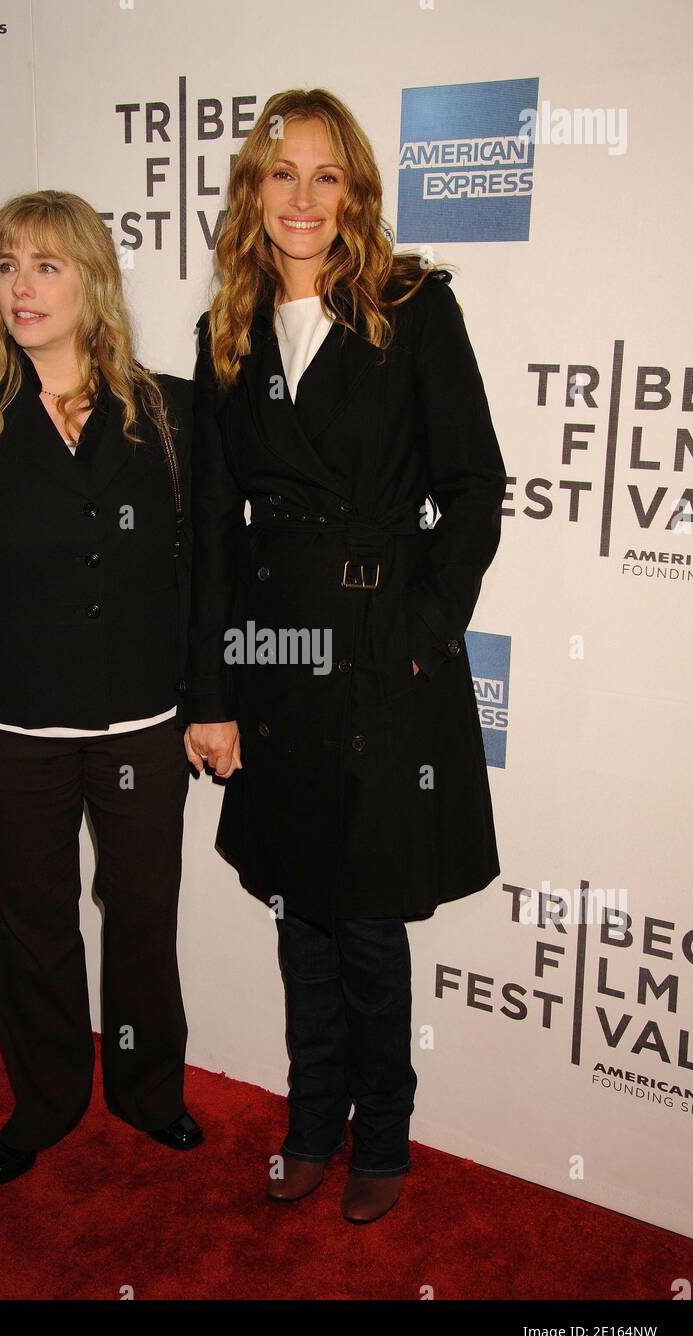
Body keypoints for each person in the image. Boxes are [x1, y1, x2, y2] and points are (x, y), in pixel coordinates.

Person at [182, 91, 507, 1223]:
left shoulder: (411, 308)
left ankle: (386, 1131)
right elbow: (214, 528)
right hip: (273, 660)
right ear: (253, 192)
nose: (304, 198)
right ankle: (311, 1118)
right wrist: (211, 693)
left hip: (379, 655)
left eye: (326, 176)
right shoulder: (226, 327)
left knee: (364, 915)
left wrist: (419, 629)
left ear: (356, 190)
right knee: (297, 911)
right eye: (282, 175)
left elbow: (473, 487)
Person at [0, 190, 199, 1185]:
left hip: (143, 726)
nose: (22, 286)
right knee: (32, 925)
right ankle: (47, 1097)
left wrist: (211, 702)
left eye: (47, 265)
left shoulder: (163, 409)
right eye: (6, 265)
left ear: (92, 280)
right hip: (10, 728)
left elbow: (197, 576)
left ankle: (151, 1090)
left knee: (143, 915)